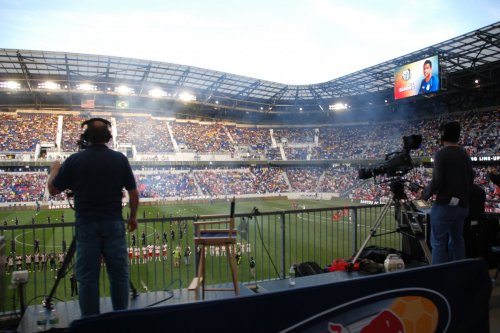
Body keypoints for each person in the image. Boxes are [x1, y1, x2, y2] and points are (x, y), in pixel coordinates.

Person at [47, 118, 139, 317]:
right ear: (108, 137)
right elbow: (133, 192)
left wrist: (55, 168)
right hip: (114, 223)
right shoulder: (120, 159)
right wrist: (133, 217)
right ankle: (121, 320)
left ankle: (91, 323)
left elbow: (53, 189)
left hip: (86, 225)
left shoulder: (74, 160)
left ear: (85, 138)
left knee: (88, 277)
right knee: (119, 274)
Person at [419, 121, 473, 264]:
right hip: (462, 206)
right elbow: (471, 178)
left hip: (445, 206)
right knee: (457, 240)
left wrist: (424, 195)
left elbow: (437, 181)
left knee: (438, 243)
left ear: (443, 135)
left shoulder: (442, 154)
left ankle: (440, 278)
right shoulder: (464, 154)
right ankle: (459, 274)